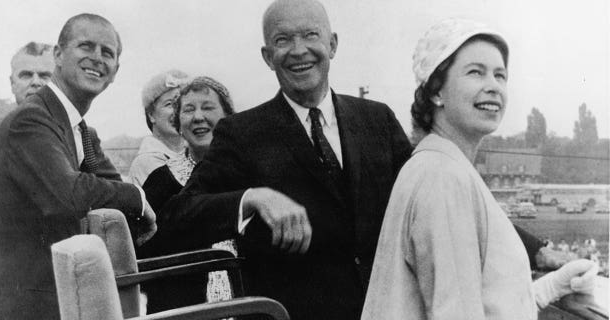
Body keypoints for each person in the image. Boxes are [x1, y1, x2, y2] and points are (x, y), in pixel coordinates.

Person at [159, 1, 413, 319]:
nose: (298, 50)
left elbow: (418, 207)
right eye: (283, 40)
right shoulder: (241, 133)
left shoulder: (378, 120)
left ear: (332, 44)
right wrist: (252, 199)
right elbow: (176, 219)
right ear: (268, 56)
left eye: (310, 35)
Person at [361, 19, 598, 320]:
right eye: (475, 72)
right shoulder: (443, 177)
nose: (493, 86)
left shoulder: (436, 164)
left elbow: (475, 295)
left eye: (500, 75)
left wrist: (547, 289)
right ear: (436, 92)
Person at [0, 14, 156, 320]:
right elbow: (68, 195)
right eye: (86, 46)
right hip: (31, 311)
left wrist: (137, 205)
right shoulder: (31, 120)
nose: (97, 58)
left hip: (68, 304)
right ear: (58, 56)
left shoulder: (80, 131)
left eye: (108, 52)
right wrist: (137, 199)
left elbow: (111, 192)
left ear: (116, 71)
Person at [0, 42, 55, 320]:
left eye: (45, 76)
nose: (35, 83)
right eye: (25, 75)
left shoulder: (80, 136)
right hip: (1, 294)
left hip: (60, 288)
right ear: (11, 82)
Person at [137, 76, 237, 313]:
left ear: (228, 117)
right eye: (188, 110)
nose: (198, 117)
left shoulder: (249, 174)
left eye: (208, 107)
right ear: (178, 123)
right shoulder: (160, 182)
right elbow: (143, 256)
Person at [128, 69, 189, 187]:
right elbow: (184, 204)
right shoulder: (147, 161)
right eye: (169, 104)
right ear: (151, 115)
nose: (177, 112)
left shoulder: (190, 154)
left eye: (183, 104)